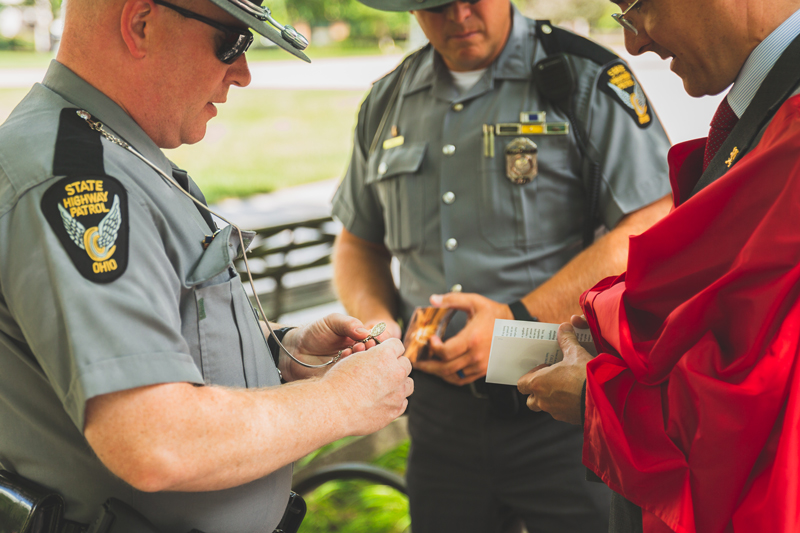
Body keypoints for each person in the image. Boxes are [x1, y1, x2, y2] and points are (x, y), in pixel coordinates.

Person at [0, 1, 414, 532]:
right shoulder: (75, 183)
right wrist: (340, 400)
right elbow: (153, 440)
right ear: (141, 23)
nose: (242, 73)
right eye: (231, 43)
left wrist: (281, 352)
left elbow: (157, 336)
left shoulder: (119, 154)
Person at [331, 0, 673, 530]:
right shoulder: (387, 102)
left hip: (560, 402)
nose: (460, 13)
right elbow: (357, 244)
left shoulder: (581, 75)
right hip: (437, 418)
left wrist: (518, 315)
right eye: (437, 4)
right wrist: (382, 331)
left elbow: (651, 222)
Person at [518, 0, 800, 532]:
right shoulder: (774, 105)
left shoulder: (794, 129)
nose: (634, 43)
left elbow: (767, 397)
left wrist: (598, 400)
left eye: (635, 9)